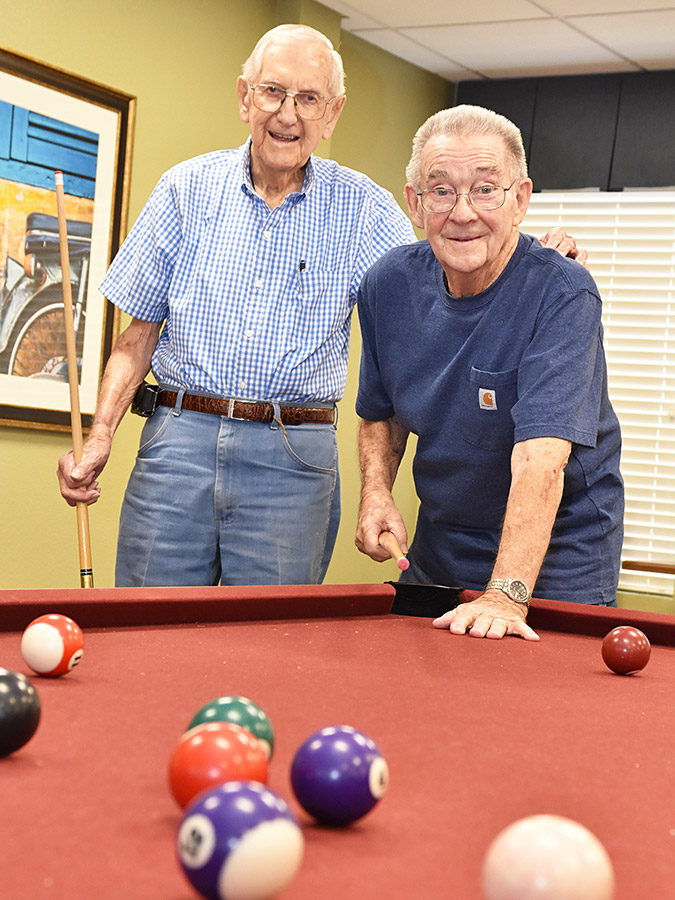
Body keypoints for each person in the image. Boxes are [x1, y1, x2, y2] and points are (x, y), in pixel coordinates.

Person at [57, 25, 585, 589]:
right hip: (176, 439)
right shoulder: (184, 189)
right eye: (273, 93)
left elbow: (446, 258)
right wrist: (101, 434)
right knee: (147, 634)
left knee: (271, 650)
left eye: (309, 99)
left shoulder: (363, 207)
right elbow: (136, 338)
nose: (288, 114)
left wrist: (531, 257)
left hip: (292, 455)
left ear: (332, 114)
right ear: (245, 97)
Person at [355, 105, 624, 640]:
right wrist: (377, 491)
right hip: (442, 552)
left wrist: (506, 594)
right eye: (441, 191)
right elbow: (381, 414)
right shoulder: (387, 286)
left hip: (558, 563)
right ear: (414, 202)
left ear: (520, 200)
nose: (462, 212)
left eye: (485, 189)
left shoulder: (563, 292)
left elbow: (541, 457)